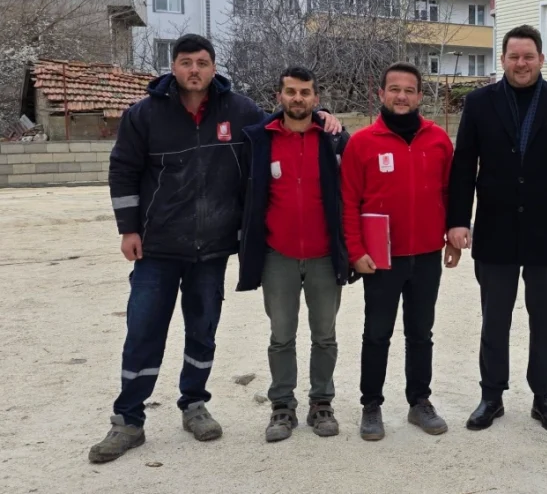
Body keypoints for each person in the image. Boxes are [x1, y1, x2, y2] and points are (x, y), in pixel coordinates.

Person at [92, 34, 341, 463]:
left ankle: (194, 405)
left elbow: (288, 120)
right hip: (158, 247)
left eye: (202, 62)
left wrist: (324, 117)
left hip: (210, 250)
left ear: (213, 67)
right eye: (186, 62)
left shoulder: (239, 110)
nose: (194, 70)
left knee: (202, 330)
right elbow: (123, 170)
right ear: (174, 67)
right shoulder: (145, 115)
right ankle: (128, 420)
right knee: (144, 331)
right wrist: (128, 228)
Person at [447, 25, 547, 433]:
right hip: (495, 229)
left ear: (541, 59)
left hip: (546, 231)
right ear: (503, 60)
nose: (521, 63)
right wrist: (457, 220)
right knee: (494, 318)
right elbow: (463, 167)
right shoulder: (479, 103)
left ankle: (544, 399)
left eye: (528, 56)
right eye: (514, 57)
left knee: (544, 321)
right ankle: (491, 396)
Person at [341, 62, 458, 442]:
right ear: (382, 94)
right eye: (395, 89)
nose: (402, 96)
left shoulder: (439, 140)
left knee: (421, 333)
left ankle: (418, 401)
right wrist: (355, 251)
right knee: (377, 333)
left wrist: (451, 240)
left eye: (409, 90)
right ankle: (371, 405)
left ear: (421, 96)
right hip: (380, 258)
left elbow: (449, 195)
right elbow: (348, 203)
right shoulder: (362, 142)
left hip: (425, 255)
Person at [236, 67, 351, 443]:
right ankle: (282, 406)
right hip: (278, 255)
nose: (297, 98)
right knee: (281, 336)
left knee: (325, 336)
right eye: (290, 92)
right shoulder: (260, 139)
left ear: (316, 99)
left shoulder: (334, 140)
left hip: (323, 255)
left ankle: (322, 403)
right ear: (279, 96)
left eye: (305, 92)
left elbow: (353, 194)